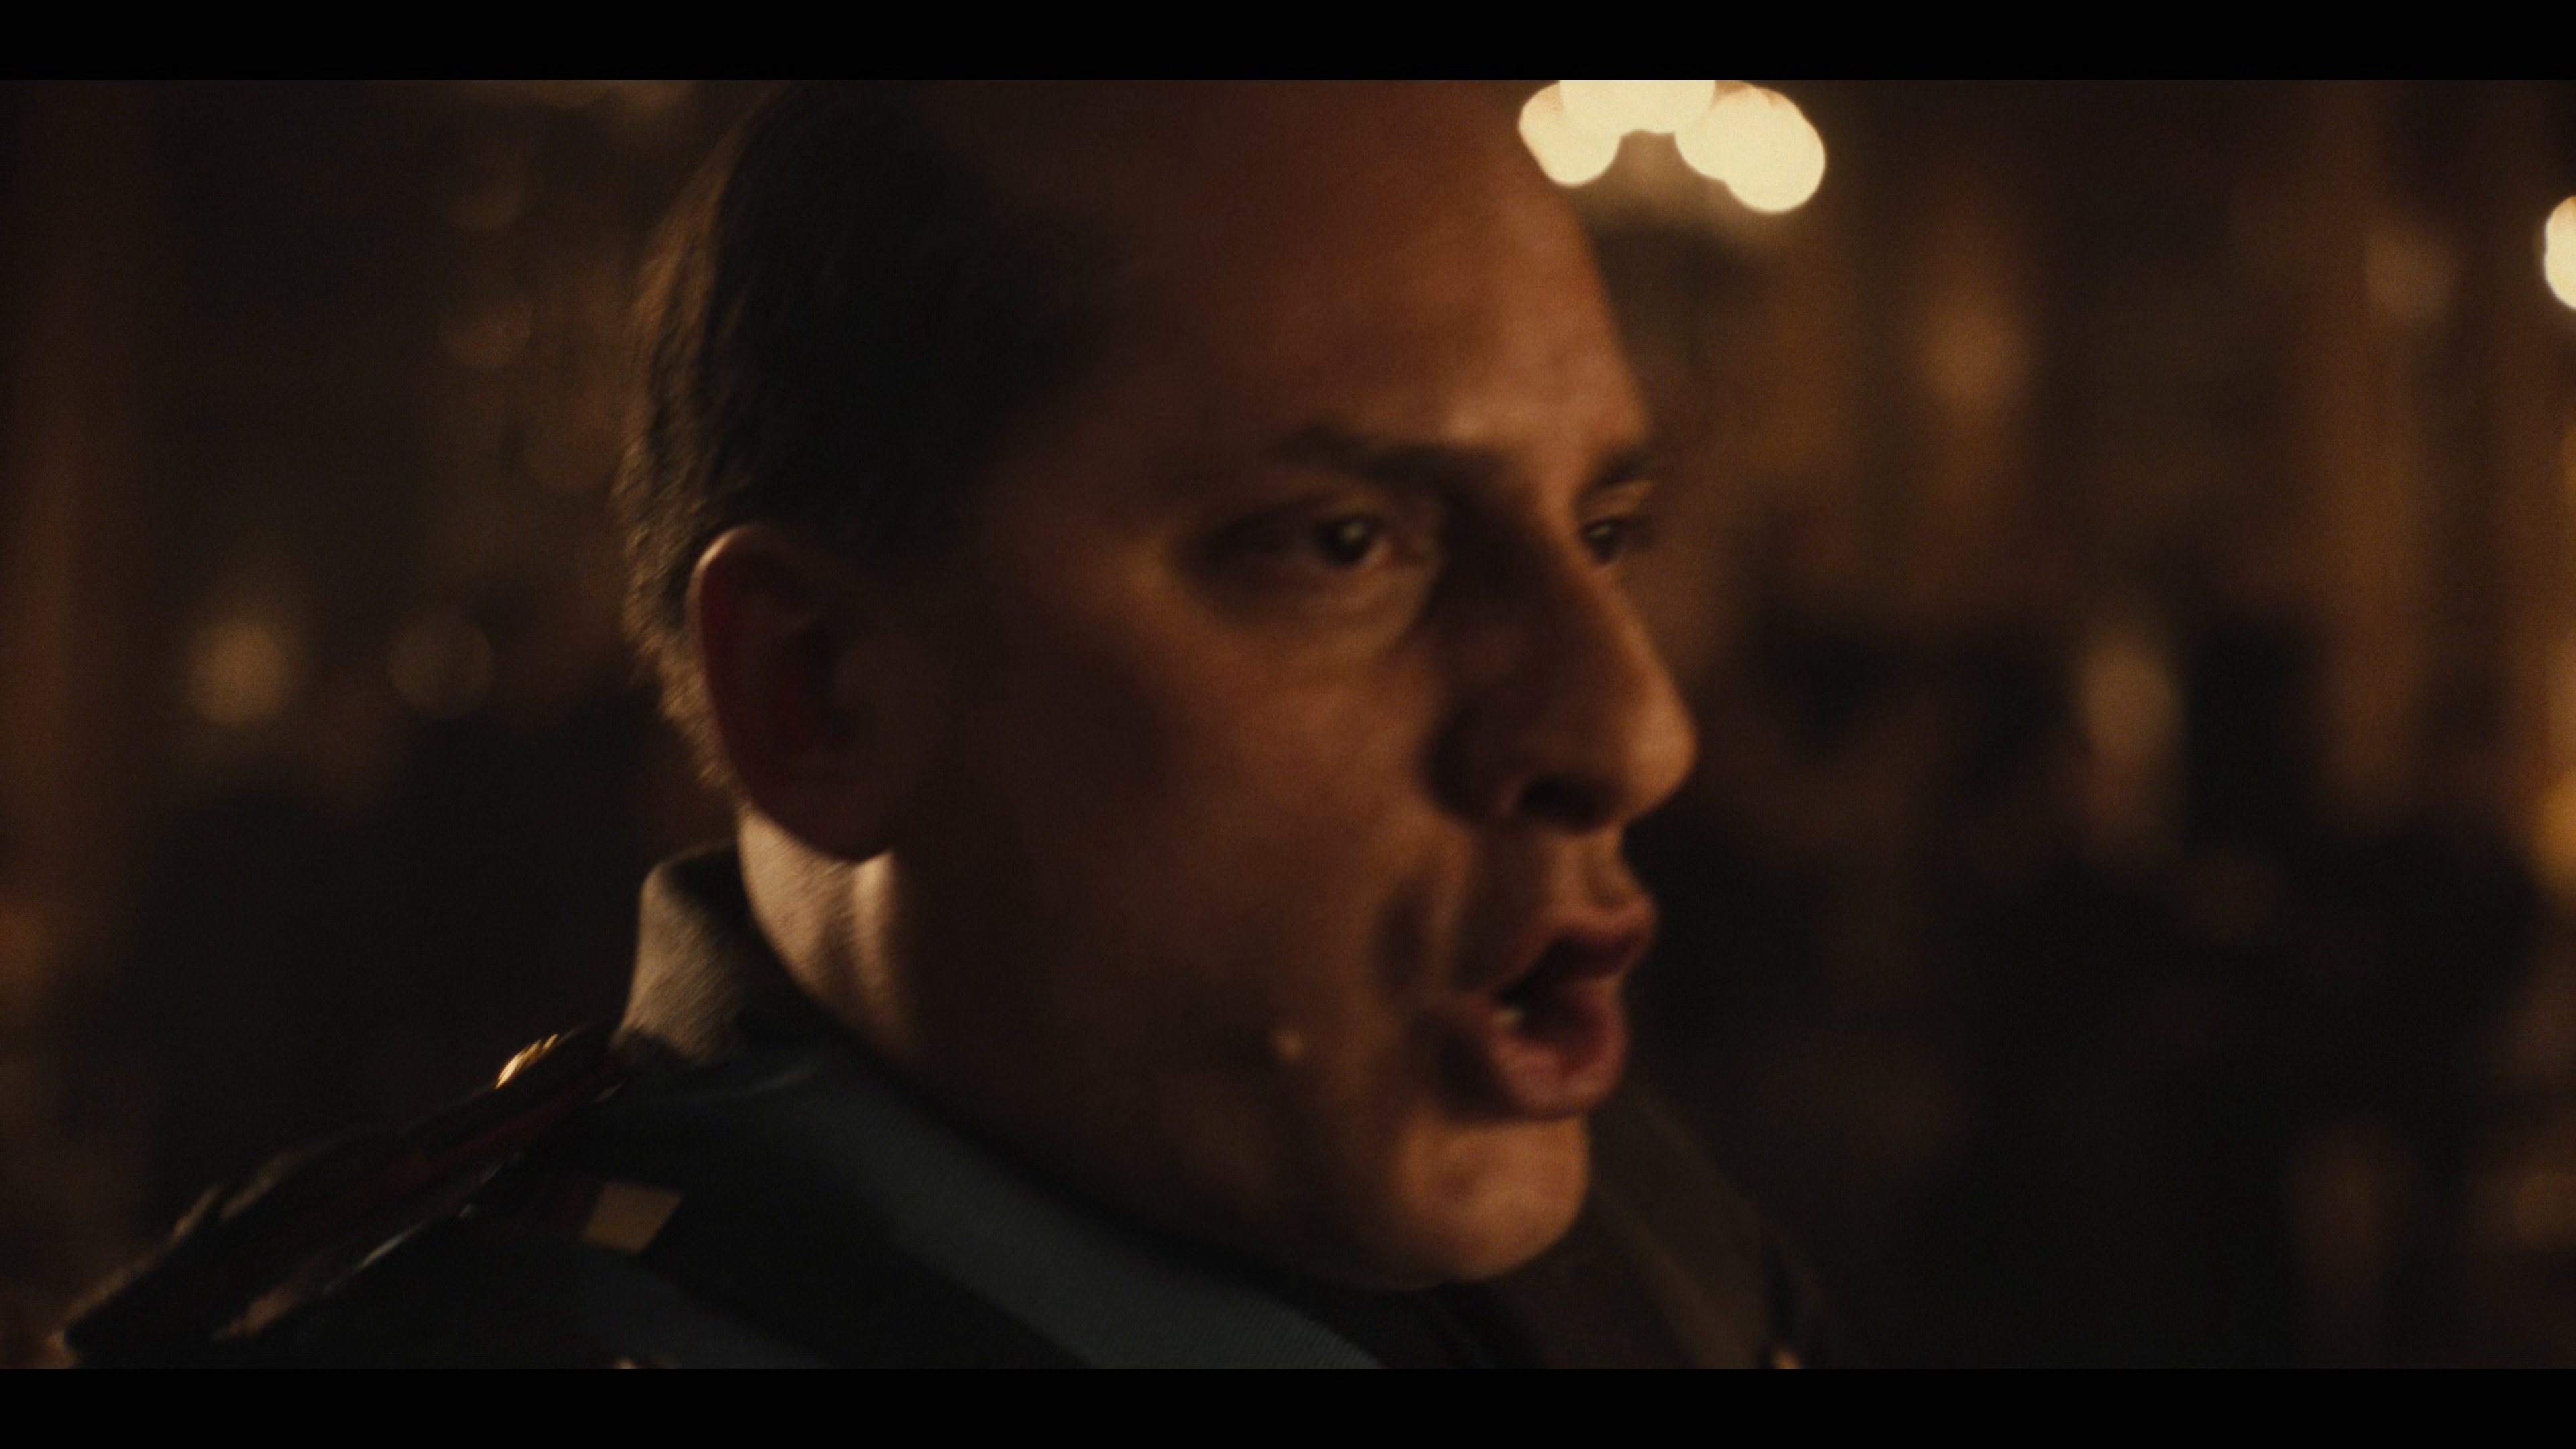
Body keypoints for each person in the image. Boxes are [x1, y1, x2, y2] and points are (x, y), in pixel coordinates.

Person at [62, 82, 1831, 1367]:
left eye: (1606, 531)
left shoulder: (1628, 1218)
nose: (1632, 730)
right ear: (820, 694)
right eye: (1342, 546)